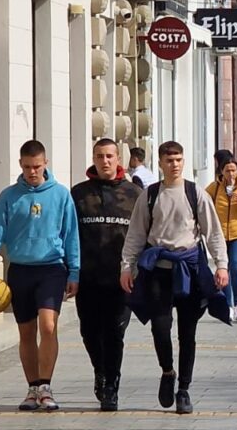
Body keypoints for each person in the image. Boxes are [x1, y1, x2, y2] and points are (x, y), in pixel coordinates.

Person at [120, 141, 229, 415]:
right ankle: (167, 370)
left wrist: (222, 265)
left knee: (188, 333)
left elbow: (213, 232)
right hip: (159, 270)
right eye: (169, 160)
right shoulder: (150, 195)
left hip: (189, 269)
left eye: (179, 159)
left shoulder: (195, 193)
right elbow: (135, 234)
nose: (175, 165)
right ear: (160, 163)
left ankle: (184, 389)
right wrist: (126, 266)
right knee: (160, 327)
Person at [0, 139, 80, 412]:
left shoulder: (60, 194)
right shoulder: (10, 196)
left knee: (48, 325)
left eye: (36, 166)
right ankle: (32, 388)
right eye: (26, 167)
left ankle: (46, 386)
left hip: (52, 268)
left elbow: (71, 235)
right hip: (20, 269)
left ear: (45, 164)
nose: (32, 172)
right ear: (20, 165)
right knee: (26, 332)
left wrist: (75, 270)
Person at [71, 138, 141, 411]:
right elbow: (68, 235)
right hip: (88, 278)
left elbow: (145, 234)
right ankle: (100, 371)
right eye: (100, 156)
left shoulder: (135, 194)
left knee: (114, 333)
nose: (105, 161)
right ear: (94, 158)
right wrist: (71, 272)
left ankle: (111, 384)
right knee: (89, 332)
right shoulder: (78, 194)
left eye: (110, 156)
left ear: (118, 158)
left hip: (121, 279)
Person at [206, 158, 237, 322]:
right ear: (222, 172)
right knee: (223, 269)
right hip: (219, 235)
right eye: (227, 170)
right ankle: (227, 305)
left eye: (233, 170)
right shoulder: (215, 188)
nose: (231, 174)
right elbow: (203, 202)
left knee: (235, 266)